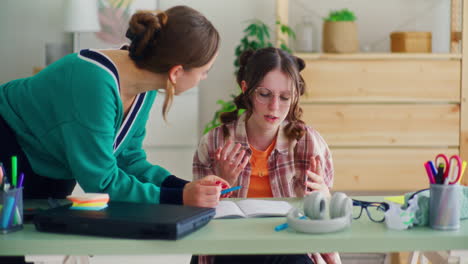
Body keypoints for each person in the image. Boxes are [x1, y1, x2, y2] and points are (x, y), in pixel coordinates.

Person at [0, 5, 230, 207]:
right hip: (9, 145)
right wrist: (181, 197)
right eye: (204, 71)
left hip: (51, 163)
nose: (204, 77)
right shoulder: (93, 84)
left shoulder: (145, 85)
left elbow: (129, 160)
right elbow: (102, 181)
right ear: (177, 72)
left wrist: (187, 188)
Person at [192, 47, 340, 264]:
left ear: (294, 97)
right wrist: (224, 182)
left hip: (290, 245)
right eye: (264, 94)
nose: (274, 107)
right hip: (232, 246)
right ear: (246, 90)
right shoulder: (214, 142)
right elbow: (199, 218)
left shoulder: (309, 143)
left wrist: (323, 196)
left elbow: (323, 215)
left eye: (284, 97)